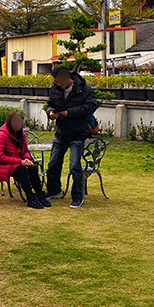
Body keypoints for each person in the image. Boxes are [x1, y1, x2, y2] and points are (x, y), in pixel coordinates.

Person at [45, 66, 98, 208]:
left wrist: (70, 113)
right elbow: (49, 104)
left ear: (67, 77)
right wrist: (50, 112)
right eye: (56, 82)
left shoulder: (84, 89)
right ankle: (54, 190)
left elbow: (92, 105)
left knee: (75, 165)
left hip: (78, 133)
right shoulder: (55, 88)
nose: (58, 84)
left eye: (59, 82)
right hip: (61, 133)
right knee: (53, 164)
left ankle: (77, 197)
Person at [0, 112, 50, 209]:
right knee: (22, 170)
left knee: (32, 168)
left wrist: (27, 158)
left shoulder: (22, 134)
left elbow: (25, 150)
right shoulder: (2, 135)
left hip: (19, 161)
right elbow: (0, 157)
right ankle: (30, 197)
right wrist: (20, 161)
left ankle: (40, 194)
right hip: (4, 165)